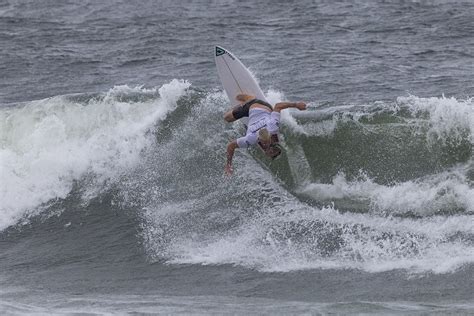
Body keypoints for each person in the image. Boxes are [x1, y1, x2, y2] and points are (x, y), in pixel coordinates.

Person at [224, 94, 306, 175]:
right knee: (227, 117)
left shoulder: (273, 127)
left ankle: (249, 101)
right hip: (252, 106)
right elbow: (230, 146)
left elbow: (278, 106)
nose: (266, 146)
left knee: (265, 115)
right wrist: (228, 165)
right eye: (266, 144)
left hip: (266, 107)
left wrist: (296, 105)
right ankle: (248, 99)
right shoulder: (251, 138)